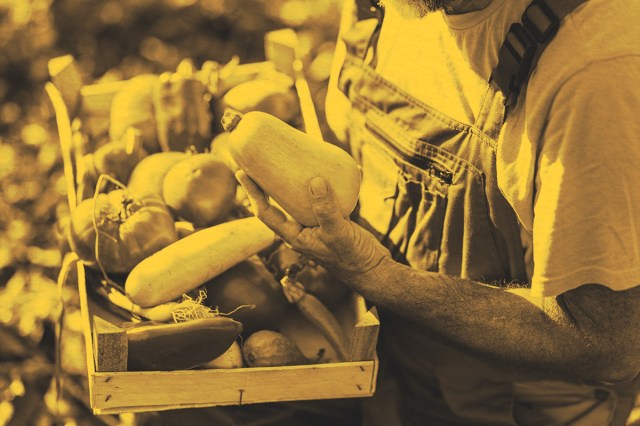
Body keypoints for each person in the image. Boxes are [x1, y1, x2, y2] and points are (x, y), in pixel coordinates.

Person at [235, 0, 640, 424]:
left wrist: (378, 276)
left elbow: (605, 343)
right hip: (386, 367)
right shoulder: (385, 7)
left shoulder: (596, 71)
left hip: (501, 408)